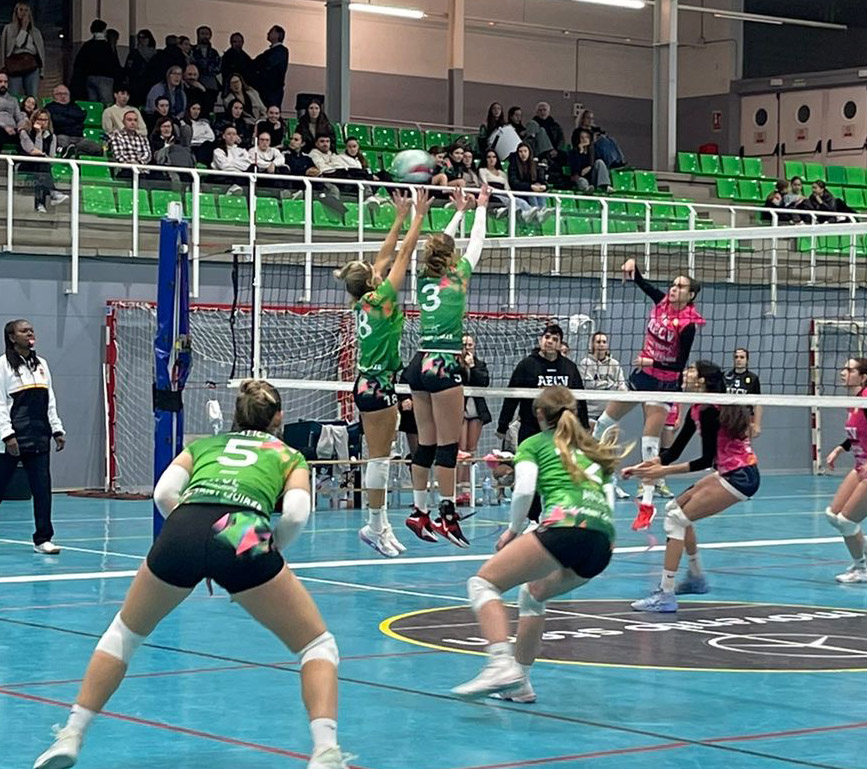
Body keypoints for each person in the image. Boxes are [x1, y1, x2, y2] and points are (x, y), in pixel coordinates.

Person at [32, 380, 352, 769]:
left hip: (184, 523)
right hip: (242, 529)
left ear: (236, 415)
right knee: (317, 645)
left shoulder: (205, 445)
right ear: (278, 417)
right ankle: (326, 752)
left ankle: (71, 734)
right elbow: (297, 514)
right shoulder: (288, 454)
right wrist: (268, 550)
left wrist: (195, 534)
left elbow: (163, 493)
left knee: (124, 634)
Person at [451, 385, 623, 701]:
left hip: (566, 527)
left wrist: (512, 531)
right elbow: (608, 498)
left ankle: (500, 663)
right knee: (532, 595)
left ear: (540, 414)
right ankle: (520, 683)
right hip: (602, 544)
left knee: (482, 584)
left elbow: (524, 490)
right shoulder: (592, 447)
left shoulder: (533, 443)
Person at [335, 190, 430, 558]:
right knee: (379, 460)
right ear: (372, 280)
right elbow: (402, 256)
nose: (380, 269)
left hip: (369, 383)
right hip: (377, 386)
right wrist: (418, 216)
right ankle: (374, 526)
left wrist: (399, 217)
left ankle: (381, 524)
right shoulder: (384, 300)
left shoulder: (363, 300)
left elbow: (386, 256)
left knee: (382, 457)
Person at [625, 360, 758, 613]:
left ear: (702, 380)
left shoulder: (711, 411)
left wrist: (662, 472)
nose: (685, 373)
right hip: (728, 472)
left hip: (741, 477)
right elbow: (673, 451)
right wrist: (644, 466)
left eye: (691, 370)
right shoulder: (697, 407)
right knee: (675, 509)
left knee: (676, 520)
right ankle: (696, 578)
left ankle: (666, 594)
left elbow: (705, 460)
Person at [404, 185, 491, 548]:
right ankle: (447, 515)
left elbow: (439, 244)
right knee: (447, 446)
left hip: (419, 362)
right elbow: (477, 241)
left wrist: (458, 213)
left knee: (425, 444)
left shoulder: (422, 276)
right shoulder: (459, 275)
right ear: (451, 257)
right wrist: (480, 207)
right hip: (443, 364)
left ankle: (418, 511)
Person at [592, 258, 704, 527]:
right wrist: (633, 268)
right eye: (673, 284)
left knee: (649, 443)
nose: (673, 289)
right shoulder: (662, 302)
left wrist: (651, 361)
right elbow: (642, 283)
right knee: (604, 422)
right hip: (642, 376)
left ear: (690, 295)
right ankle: (588, 470)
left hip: (663, 383)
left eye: (680, 287)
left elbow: (679, 365)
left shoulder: (688, 324)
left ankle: (647, 504)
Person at [496, 324, 589, 521]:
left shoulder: (569, 367)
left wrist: (584, 425)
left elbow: (580, 399)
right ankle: (532, 518)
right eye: (547, 337)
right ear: (541, 340)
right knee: (531, 473)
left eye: (555, 339)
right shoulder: (526, 365)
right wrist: (502, 426)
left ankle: (562, 513)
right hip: (531, 428)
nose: (550, 342)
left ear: (560, 344)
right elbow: (511, 396)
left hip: (562, 430)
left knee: (562, 472)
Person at [0, 319, 65, 554]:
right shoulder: (2, 366)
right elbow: (0, 404)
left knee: (42, 490)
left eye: (31, 330)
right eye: (23, 330)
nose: (29, 333)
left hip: (39, 438)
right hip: (12, 440)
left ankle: (43, 539)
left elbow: (50, 400)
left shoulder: (41, 365)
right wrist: (7, 435)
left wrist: (56, 429)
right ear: (11, 337)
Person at [822, 358, 867, 584]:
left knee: (847, 521)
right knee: (833, 515)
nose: (843, 373)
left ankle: (861, 568)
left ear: (863, 377)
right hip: (860, 466)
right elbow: (857, 434)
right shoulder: (854, 402)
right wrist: (839, 449)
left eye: (849, 369)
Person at [577, 331, 630, 500]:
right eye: (598, 341)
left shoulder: (614, 364)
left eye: (604, 341)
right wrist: (611, 385)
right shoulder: (585, 363)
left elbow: (622, 387)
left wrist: (609, 386)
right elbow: (588, 384)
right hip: (591, 413)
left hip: (609, 413)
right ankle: (587, 483)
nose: (601, 344)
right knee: (590, 450)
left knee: (610, 451)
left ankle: (611, 484)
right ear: (592, 344)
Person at [457, 334, 491, 507]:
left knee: (471, 449)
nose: (467, 347)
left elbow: (483, 382)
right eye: (464, 344)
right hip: (459, 408)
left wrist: (472, 366)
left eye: (470, 344)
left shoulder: (480, 364)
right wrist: (463, 366)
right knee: (461, 449)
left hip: (476, 409)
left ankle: (467, 489)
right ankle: (458, 488)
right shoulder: (454, 364)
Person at [18, 110, 69, 214]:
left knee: (41, 169)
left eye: (45, 120)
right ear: (34, 120)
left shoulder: (52, 137)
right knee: (41, 165)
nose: (43, 122)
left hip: (41, 166)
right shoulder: (25, 133)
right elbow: (33, 151)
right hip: (25, 164)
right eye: (40, 119)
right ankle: (52, 192)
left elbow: (51, 158)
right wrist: (38, 135)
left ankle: (40, 203)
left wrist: (43, 155)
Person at [0, 2, 45, 98]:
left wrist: (42, 70)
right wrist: (2, 67)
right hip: (14, 64)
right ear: (16, 12)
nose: (23, 13)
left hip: (31, 65)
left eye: (26, 10)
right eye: (21, 10)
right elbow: (14, 45)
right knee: (14, 95)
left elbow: (40, 51)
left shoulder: (35, 31)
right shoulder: (9, 29)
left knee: (32, 96)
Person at [724, 347, 762, 439]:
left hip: (745, 419)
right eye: (736, 357)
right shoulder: (725, 376)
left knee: (742, 445)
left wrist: (757, 425)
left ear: (747, 360)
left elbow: (758, 403)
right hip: (727, 418)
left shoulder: (753, 378)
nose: (739, 360)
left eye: (742, 357)